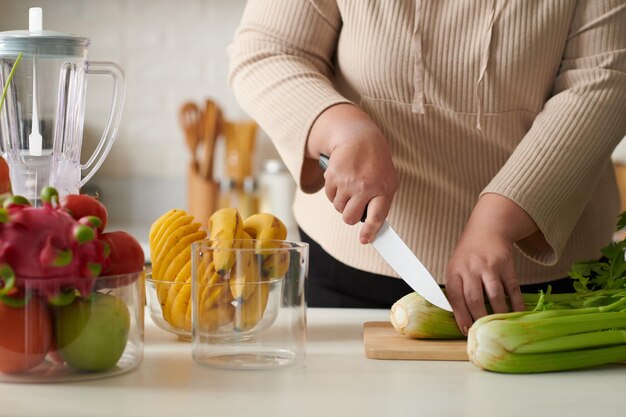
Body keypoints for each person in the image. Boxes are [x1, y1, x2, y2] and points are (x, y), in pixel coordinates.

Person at [227, 0, 626, 334]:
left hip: (540, 282)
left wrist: (498, 220)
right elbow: (268, 49)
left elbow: (605, 78)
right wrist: (342, 127)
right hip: (350, 268)